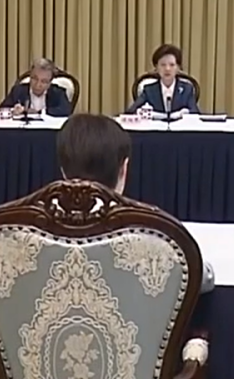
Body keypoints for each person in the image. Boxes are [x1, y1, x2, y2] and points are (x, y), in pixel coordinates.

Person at [55, 114, 214, 294]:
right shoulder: (155, 233)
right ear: (124, 169)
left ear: (63, 172)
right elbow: (203, 278)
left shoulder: (30, 233)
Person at [126, 44, 200, 114]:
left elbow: (195, 113)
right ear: (156, 67)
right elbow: (131, 112)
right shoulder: (149, 90)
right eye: (163, 65)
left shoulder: (187, 89)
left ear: (178, 68)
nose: (167, 69)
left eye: (172, 65)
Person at [0, 57, 73, 117]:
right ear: (30, 76)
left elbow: (66, 111)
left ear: (50, 83)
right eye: (35, 79)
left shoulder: (58, 93)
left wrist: (39, 112)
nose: (38, 84)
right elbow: (1, 110)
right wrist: (13, 110)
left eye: (43, 81)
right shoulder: (18, 91)